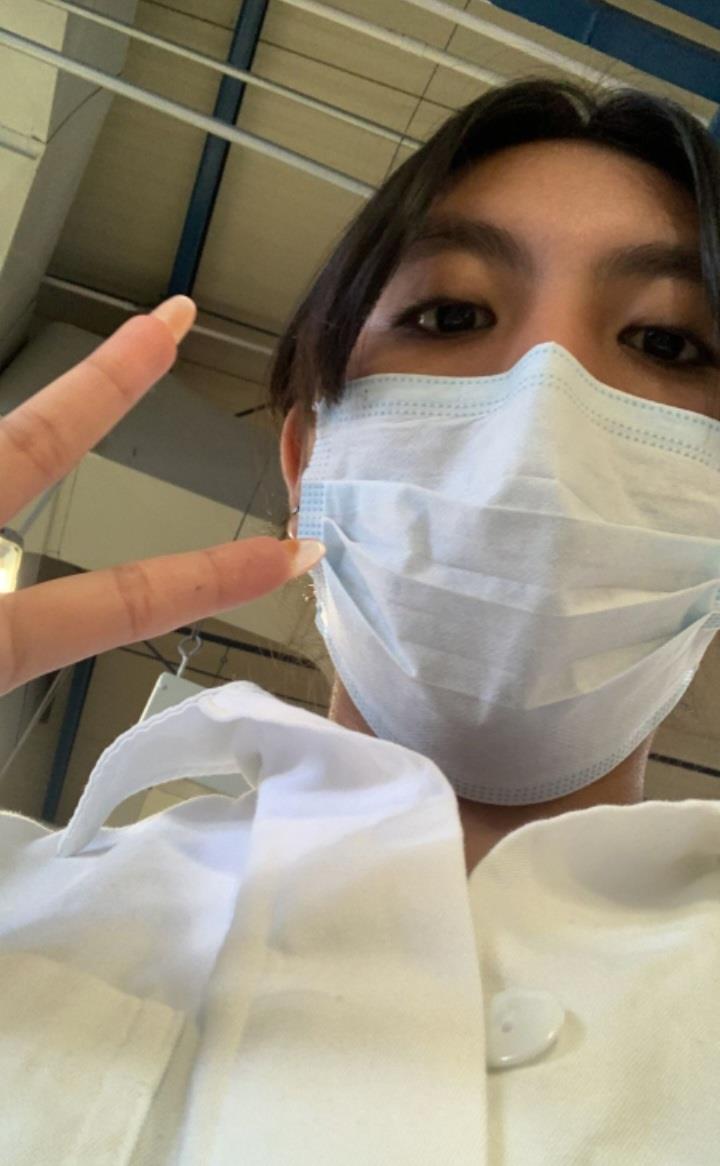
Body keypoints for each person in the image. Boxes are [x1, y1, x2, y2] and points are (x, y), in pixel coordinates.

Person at [1, 77, 719, 1164]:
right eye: (451, 315)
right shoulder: (25, 919)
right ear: (309, 460)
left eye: (667, 342)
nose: (544, 405)